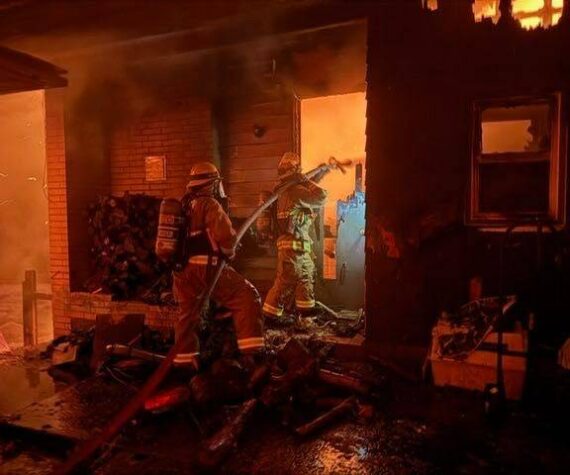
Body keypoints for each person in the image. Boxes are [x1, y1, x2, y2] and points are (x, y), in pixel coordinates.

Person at [173, 162, 263, 368]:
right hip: (205, 268)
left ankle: (184, 363)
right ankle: (253, 354)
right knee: (246, 296)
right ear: (212, 184)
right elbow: (225, 237)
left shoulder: (184, 205)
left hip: (181, 272)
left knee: (187, 315)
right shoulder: (209, 204)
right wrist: (230, 252)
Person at [262, 152, 328, 322]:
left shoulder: (285, 191)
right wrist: (307, 181)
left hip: (300, 247)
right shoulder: (294, 191)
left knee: (306, 277)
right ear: (296, 170)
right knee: (285, 281)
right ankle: (269, 317)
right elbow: (321, 197)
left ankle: (305, 315)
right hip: (292, 247)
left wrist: (319, 174)